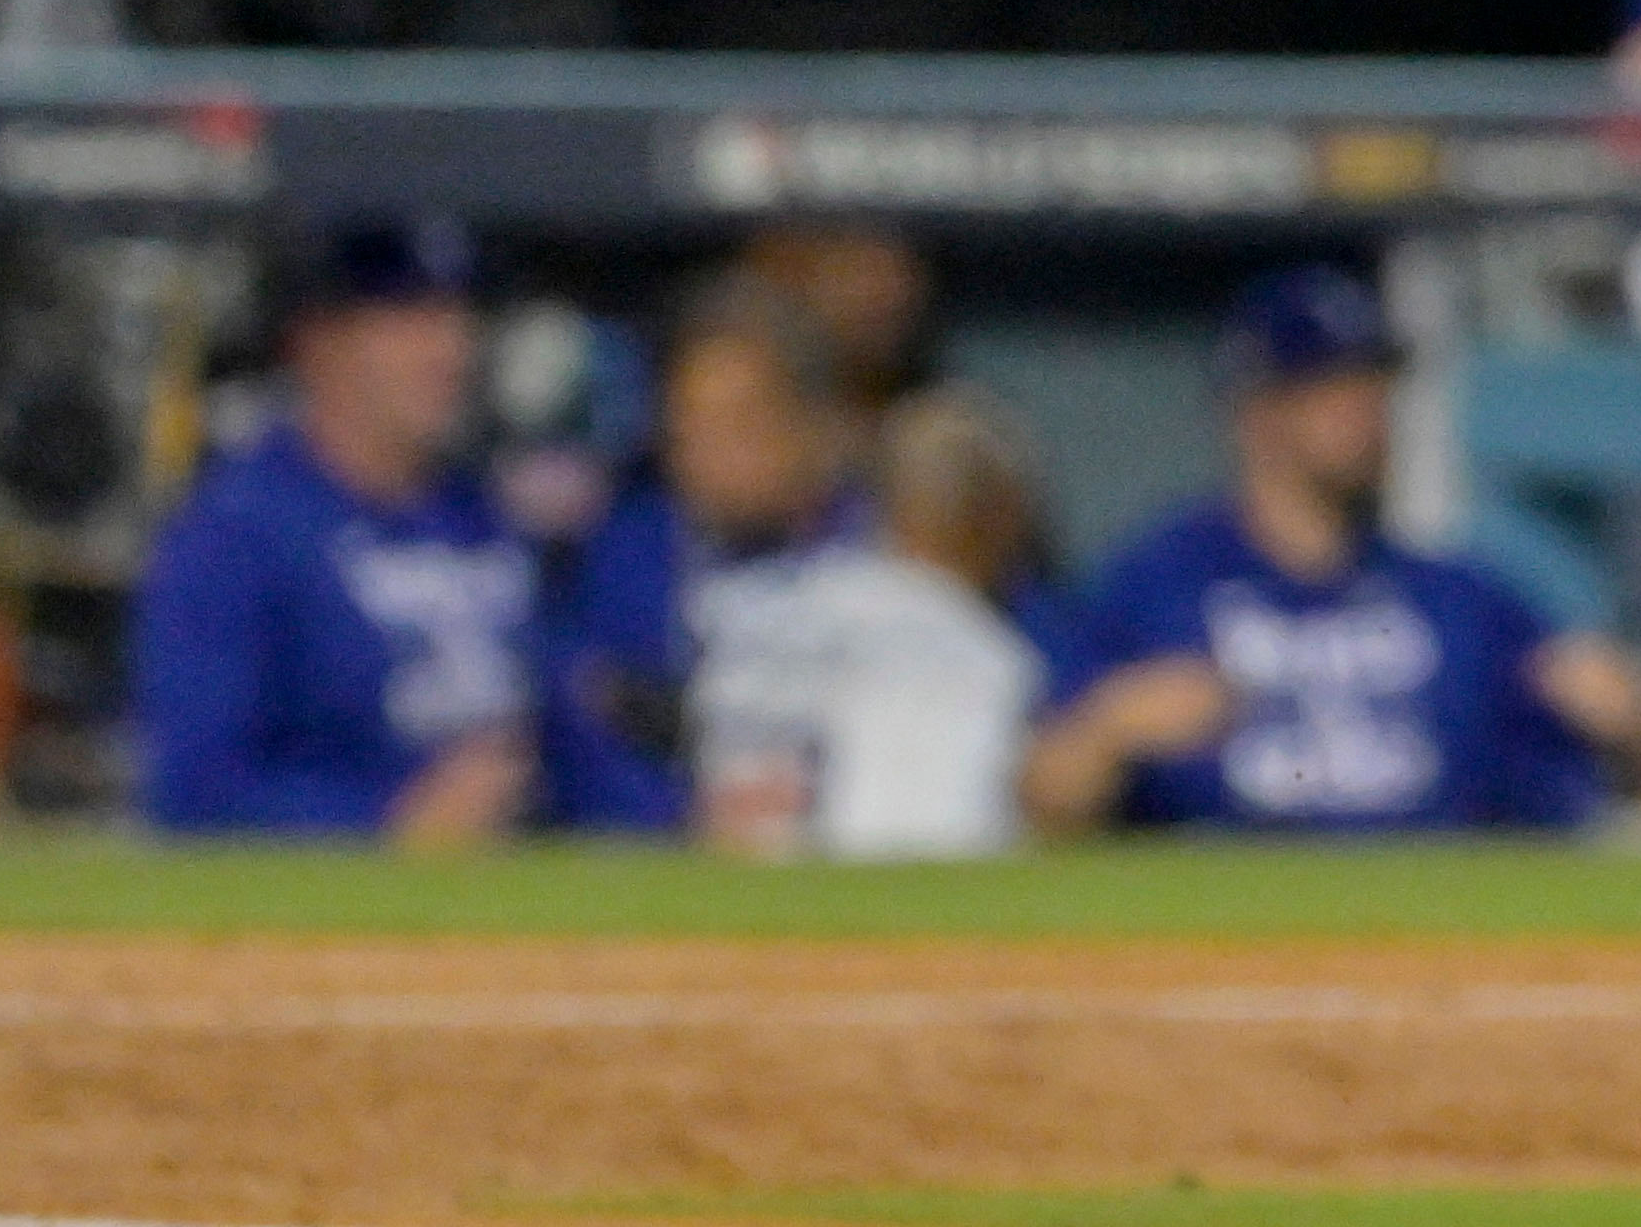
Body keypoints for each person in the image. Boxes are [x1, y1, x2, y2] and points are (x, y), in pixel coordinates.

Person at [1018, 269, 1641, 837]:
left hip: (1432, 916)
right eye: (1331, 388)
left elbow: (1614, 772)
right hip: (1220, 911)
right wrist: (1106, 730)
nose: (1366, 411)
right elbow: (1042, 800)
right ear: (1257, 410)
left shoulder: (1457, 596)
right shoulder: (1158, 582)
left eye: (1375, 385)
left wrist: (1635, 727)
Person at [130, 225, 540, 842]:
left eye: (457, 317)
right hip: (326, 915)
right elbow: (194, 789)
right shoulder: (238, 533)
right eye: (410, 320)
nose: (450, 350)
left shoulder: (480, 517)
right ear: (318, 342)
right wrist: (391, 824)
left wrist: (687, 813)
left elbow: (568, 738)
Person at [538, 286, 870, 836]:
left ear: (815, 428)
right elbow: (578, 725)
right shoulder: (630, 558)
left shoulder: (889, 546)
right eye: (691, 427)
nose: (709, 453)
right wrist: (678, 815)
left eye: (742, 423)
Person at [689, 390, 1058, 862]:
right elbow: (928, 835)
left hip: (721, 891)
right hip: (863, 904)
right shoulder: (974, 647)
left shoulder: (769, 606)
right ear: (998, 517)